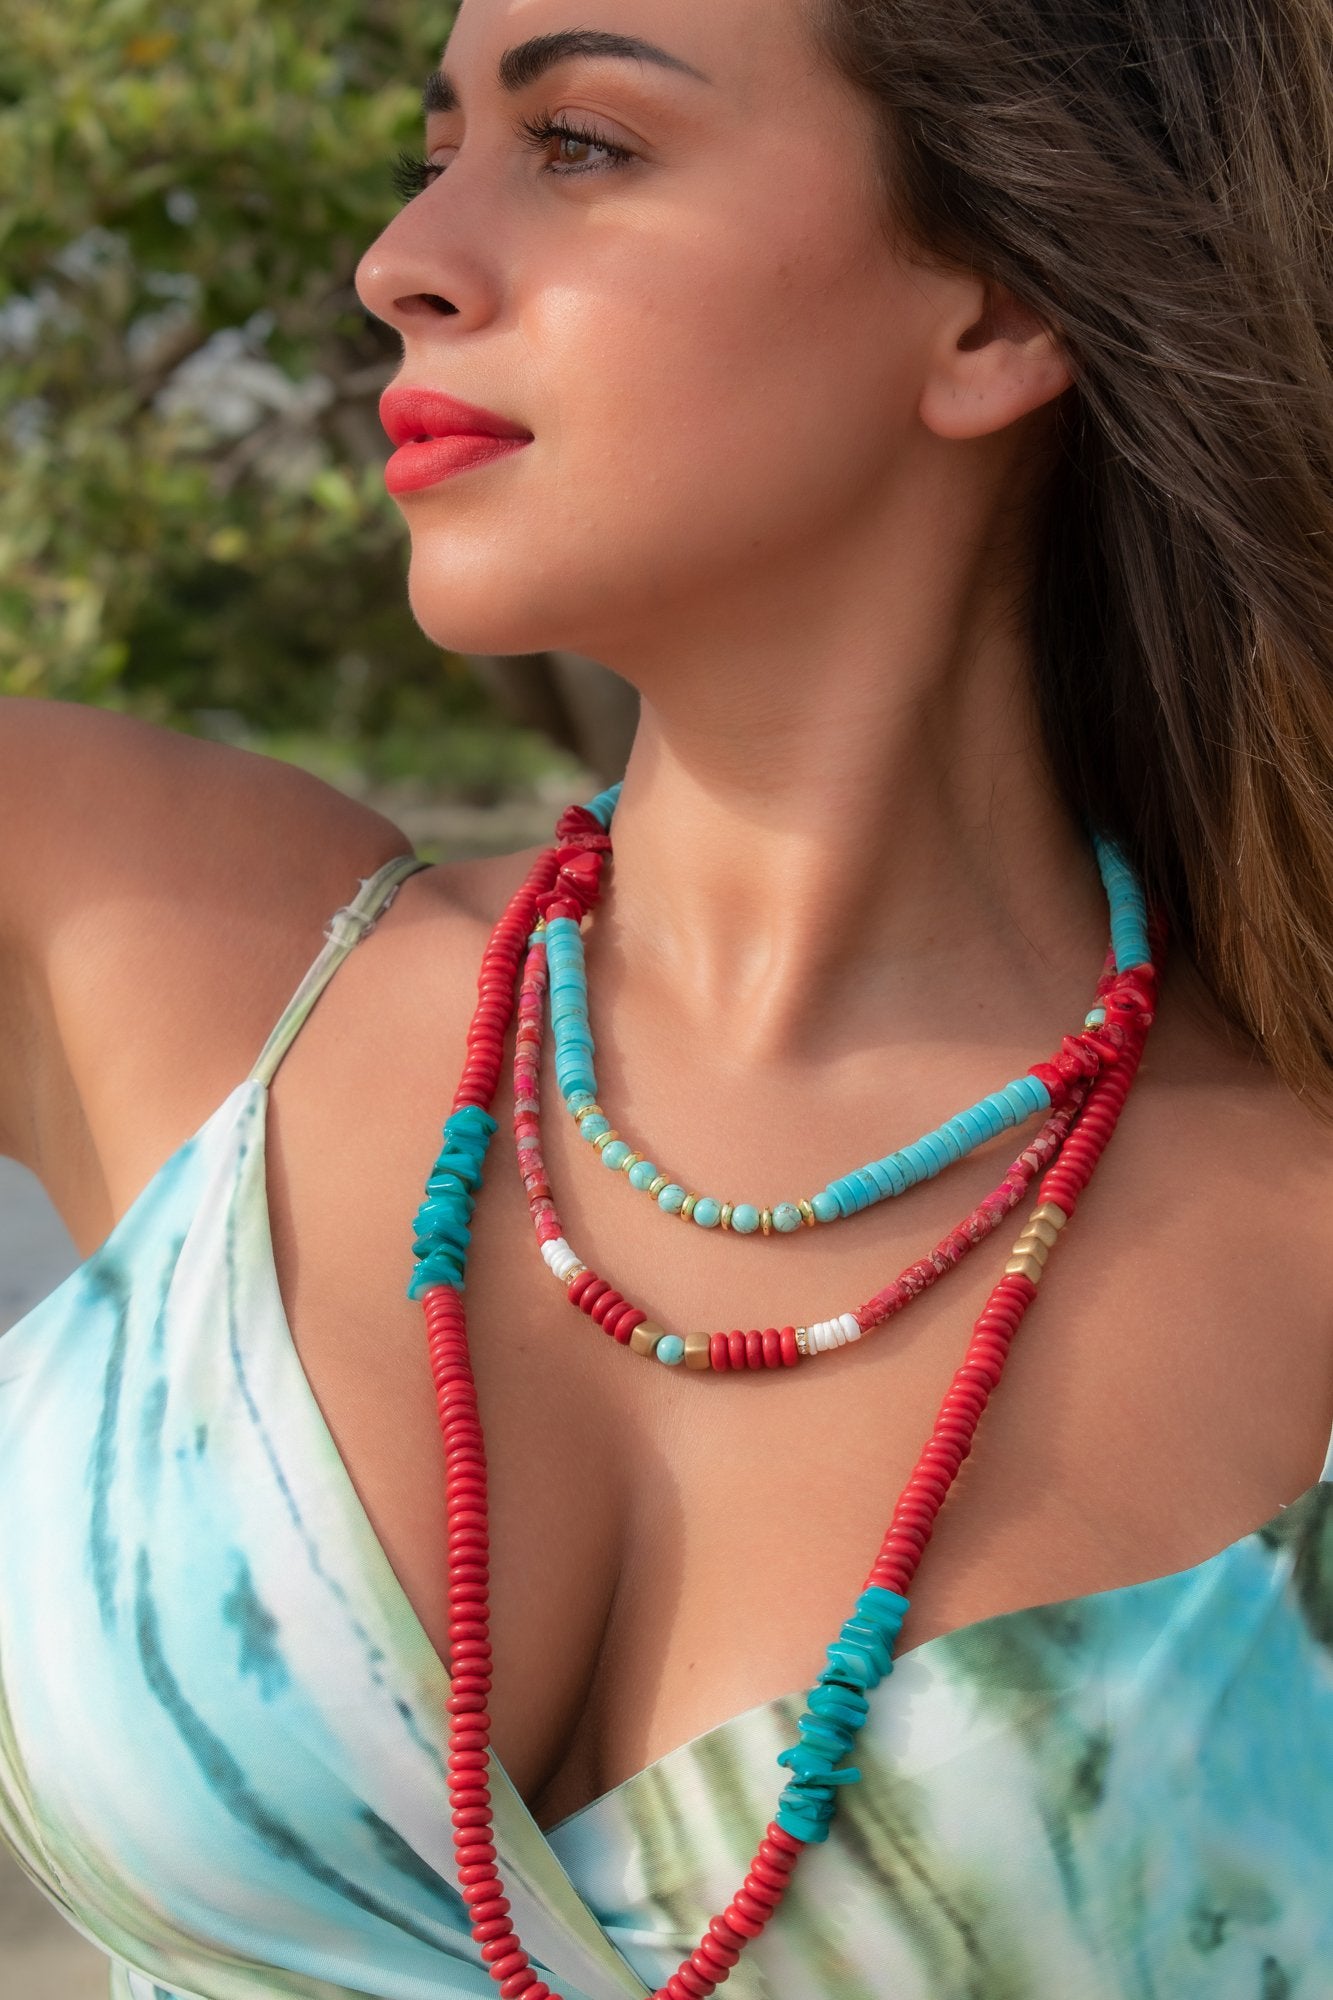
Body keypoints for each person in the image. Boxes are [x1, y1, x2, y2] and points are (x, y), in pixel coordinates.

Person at [1, 0, 1330, 1994]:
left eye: (581, 147)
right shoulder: (110, 912)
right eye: (432, 144)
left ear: (991, 308)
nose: (402, 261)